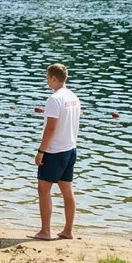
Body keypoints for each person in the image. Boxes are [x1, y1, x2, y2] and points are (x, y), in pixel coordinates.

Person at [34, 63, 80, 240]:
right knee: (67, 190)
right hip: (70, 148)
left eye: (47, 78)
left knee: (43, 190)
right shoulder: (73, 97)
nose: (47, 81)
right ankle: (68, 230)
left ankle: (46, 231)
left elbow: (50, 128)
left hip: (55, 151)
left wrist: (41, 151)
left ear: (53, 78)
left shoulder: (54, 99)